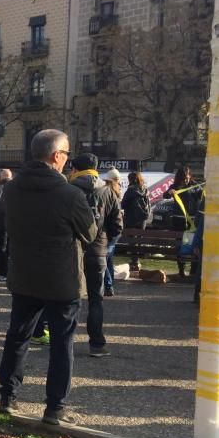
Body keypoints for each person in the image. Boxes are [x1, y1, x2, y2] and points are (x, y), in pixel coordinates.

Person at [0, 129, 97, 425]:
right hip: (60, 279)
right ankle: (55, 407)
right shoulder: (70, 194)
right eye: (66, 154)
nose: (68, 160)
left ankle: (8, 396)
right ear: (56, 156)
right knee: (62, 343)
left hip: (25, 274)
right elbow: (90, 233)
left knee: (18, 336)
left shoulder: (12, 189)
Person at [69, 153, 122, 357]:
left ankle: (65, 341)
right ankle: (97, 343)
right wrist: (107, 243)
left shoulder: (70, 189)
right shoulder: (108, 191)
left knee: (70, 296)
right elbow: (117, 224)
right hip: (98, 250)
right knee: (96, 298)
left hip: (73, 249)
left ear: (76, 169)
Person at [165, 165, 203, 278]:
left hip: (192, 221)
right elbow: (165, 195)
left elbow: (201, 195)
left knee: (194, 244)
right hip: (178, 220)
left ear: (189, 176)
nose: (185, 180)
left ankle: (193, 270)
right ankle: (181, 269)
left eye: (186, 177)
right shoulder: (175, 186)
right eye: (183, 178)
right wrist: (170, 192)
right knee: (180, 245)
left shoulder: (195, 186)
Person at [121, 171, 151, 272]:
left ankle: (134, 262)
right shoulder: (145, 190)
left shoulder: (130, 190)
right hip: (142, 219)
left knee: (132, 241)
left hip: (131, 219)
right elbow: (148, 205)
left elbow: (123, 205)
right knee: (139, 240)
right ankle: (137, 261)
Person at [100, 167, 122, 296]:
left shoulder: (108, 193)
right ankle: (110, 282)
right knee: (109, 259)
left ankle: (108, 285)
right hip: (115, 231)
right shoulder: (117, 192)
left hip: (109, 231)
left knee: (104, 259)